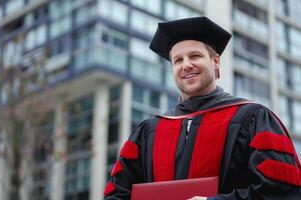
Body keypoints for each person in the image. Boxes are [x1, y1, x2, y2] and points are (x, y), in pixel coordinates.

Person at [103, 16, 301, 200]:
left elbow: (283, 190)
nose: (186, 65)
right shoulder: (148, 132)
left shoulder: (252, 118)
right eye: (178, 60)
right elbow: (116, 194)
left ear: (215, 61)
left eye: (195, 56)